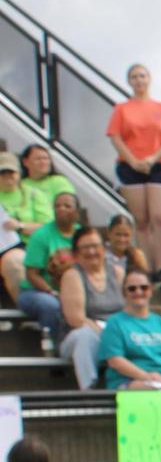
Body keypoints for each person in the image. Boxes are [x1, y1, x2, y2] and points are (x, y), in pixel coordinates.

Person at [105, 63, 161, 284]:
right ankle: (146, 265)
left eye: (142, 76)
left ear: (149, 79)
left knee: (160, 217)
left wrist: (153, 158)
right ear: (129, 81)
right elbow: (115, 136)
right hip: (131, 166)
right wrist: (133, 161)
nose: (139, 80)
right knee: (142, 220)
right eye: (134, 77)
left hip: (157, 164)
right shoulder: (122, 109)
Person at [98, 269, 161, 389]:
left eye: (144, 287)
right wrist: (146, 376)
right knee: (154, 392)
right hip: (128, 381)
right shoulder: (115, 323)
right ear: (124, 293)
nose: (138, 292)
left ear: (151, 290)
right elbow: (115, 360)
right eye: (132, 289)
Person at [56, 227, 124, 389]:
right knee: (85, 336)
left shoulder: (118, 272)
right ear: (76, 253)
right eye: (85, 248)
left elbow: (128, 310)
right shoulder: (72, 275)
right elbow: (76, 319)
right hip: (79, 335)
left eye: (95, 246)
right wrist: (106, 334)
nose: (92, 251)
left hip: (114, 331)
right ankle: (89, 387)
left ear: (104, 248)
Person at [12, 193, 80, 341]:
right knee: (51, 305)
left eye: (67, 206)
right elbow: (31, 274)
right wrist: (53, 293)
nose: (61, 209)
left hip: (73, 290)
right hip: (36, 291)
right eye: (57, 206)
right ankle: (55, 346)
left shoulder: (82, 236)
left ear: (77, 212)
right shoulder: (41, 235)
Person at [0, 151, 52, 302]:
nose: (7, 176)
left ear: (19, 173)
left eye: (11, 172)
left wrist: (20, 226)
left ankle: (27, 310)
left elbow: (48, 228)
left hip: (28, 247)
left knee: (14, 262)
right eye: (2, 173)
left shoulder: (34, 195)